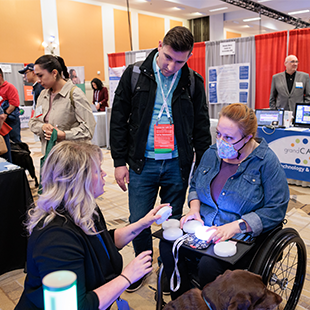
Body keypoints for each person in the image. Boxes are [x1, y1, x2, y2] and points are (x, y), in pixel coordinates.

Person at [110, 26, 211, 291]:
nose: (171, 65)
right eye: (167, 57)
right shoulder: (134, 75)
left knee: (173, 220)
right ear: (159, 45)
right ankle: (142, 267)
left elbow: (201, 127)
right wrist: (119, 161)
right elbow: (118, 120)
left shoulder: (193, 81)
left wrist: (203, 168)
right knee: (139, 219)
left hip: (177, 164)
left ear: (189, 56)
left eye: (180, 60)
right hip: (142, 163)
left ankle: (169, 267)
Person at [15, 141, 169, 310]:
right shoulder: (56, 238)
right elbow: (76, 306)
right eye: (98, 170)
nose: (104, 174)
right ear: (78, 179)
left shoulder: (85, 208)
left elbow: (104, 243)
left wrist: (143, 223)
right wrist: (127, 277)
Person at [160, 103, 290, 300]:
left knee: (209, 265)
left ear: (248, 138)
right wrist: (194, 209)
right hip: (205, 227)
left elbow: (276, 208)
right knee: (167, 245)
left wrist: (236, 226)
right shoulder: (212, 153)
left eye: (228, 137)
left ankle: (207, 303)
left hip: (240, 237)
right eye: (219, 134)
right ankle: (183, 299)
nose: (221, 141)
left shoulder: (266, 162)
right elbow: (195, 184)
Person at [28, 55, 96, 155]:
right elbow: (33, 122)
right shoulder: (43, 95)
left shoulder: (75, 94)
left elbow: (88, 130)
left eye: (40, 75)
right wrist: (43, 127)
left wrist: (64, 135)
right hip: (50, 156)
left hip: (72, 158)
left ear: (54, 73)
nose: (38, 80)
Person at [0, 68, 21, 143]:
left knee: (14, 140)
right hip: (2, 119)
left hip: (10, 118)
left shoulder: (9, 87)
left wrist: (5, 114)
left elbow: (14, 104)